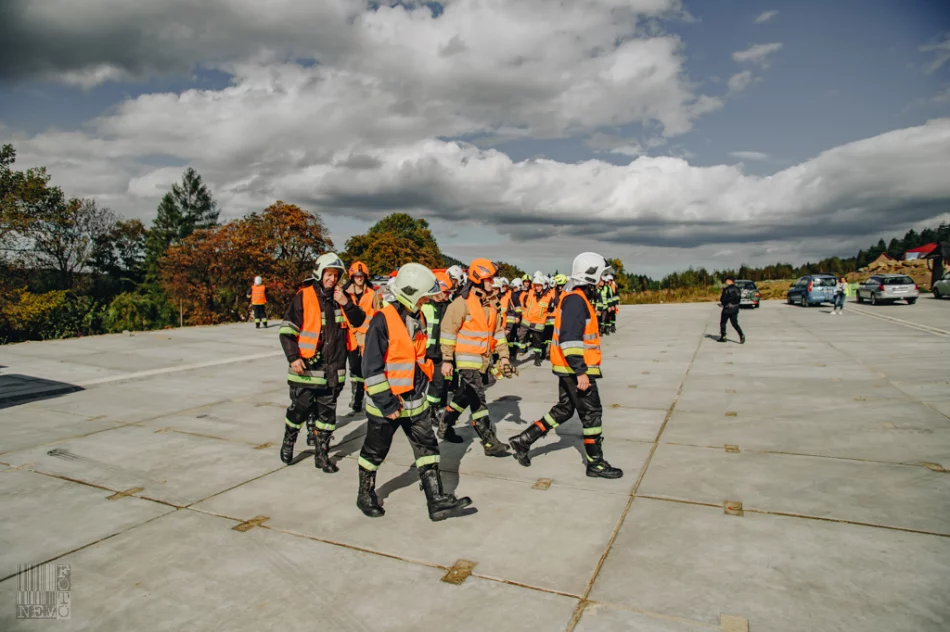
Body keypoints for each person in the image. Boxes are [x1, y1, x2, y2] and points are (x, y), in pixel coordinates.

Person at [356, 263, 473, 521]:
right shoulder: (382, 321)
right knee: (375, 452)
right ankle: (365, 494)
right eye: (423, 296)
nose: (426, 300)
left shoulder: (415, 317)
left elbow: (416, 360)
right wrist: (388, 404)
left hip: (415, 403)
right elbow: (371, 369)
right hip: (387, 406)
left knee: (428, 448)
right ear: (410, 294)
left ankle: (436, 501)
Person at [508, 252, 623, 479]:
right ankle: (596, 463)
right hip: (576, 369)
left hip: (569, 367)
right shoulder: (576, 300)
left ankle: (523, 440)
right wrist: (580, 371)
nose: (602, 281)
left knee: (564, 409)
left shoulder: (575, 298)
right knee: (592, 413)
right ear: (590, 275)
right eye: (601, 276)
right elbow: (570, 339)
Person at [278, 253, 367, 471]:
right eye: (329, 274)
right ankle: (289, 441)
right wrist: (293, 357)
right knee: (299, 410)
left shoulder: (342, 298)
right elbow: (287, 331)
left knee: (327, 417)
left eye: (336, 275)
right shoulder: (304, 296)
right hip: (308, 369)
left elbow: (359, 320)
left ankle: (322, 456)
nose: (332, 279)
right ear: (320, 273)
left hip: (333, 370)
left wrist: (346, 302)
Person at [438, 258, 513, 454]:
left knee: (465, 395)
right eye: (489, 279)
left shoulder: (491, 303)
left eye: (493, 278)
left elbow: (498, 332)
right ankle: (490, 442)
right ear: (478, 279)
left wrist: (504, 357)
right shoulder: (461, 303)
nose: (492, 282)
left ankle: (445, 424)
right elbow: (447, 331)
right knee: (478, 399)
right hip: (467, 360)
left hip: (484, 361)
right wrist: (447, 359)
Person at [422, 271, 459, 441]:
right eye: (445, 292)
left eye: (449, 293)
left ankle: (434, 412)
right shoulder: (425, 305)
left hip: (442, 354)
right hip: (424, 353)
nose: (447, 296)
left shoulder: (450, 306)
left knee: (440, 385)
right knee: (425, 386)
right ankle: (429, 412)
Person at [343, 261, 382, 413]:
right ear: (352, 277)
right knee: (354, 369)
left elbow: (379, 315)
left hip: (367, 338)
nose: (359, 278)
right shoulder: (346, 294)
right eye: (356, 276)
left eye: (361, 276)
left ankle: (369, 397)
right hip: (351, 338)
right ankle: (356, 399)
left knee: (368, 369)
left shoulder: (372, 295)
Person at [519, 272, 554, 367]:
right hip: (527, 320)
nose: (537, 288)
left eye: (539, 286)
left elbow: (551, 309)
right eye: (536, 286)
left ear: (543, 286)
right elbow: (524, 303)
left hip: (538, 322)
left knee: (537, 342)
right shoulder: (530, 293)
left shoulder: (549, 297)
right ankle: (518, 352)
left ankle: (537, 359)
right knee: (520, 336)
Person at [718, 276, 745, 344]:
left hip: (727, 308)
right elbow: (739, 299)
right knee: (735, 323)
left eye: (726, 280)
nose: (726, 282)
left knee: (723, 323)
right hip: (735, 308)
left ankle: (723, 336)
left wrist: (724, 303)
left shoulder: (726, 289)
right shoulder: (738, 289)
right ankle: (741, 335)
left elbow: (722, 299)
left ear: (730, 281)